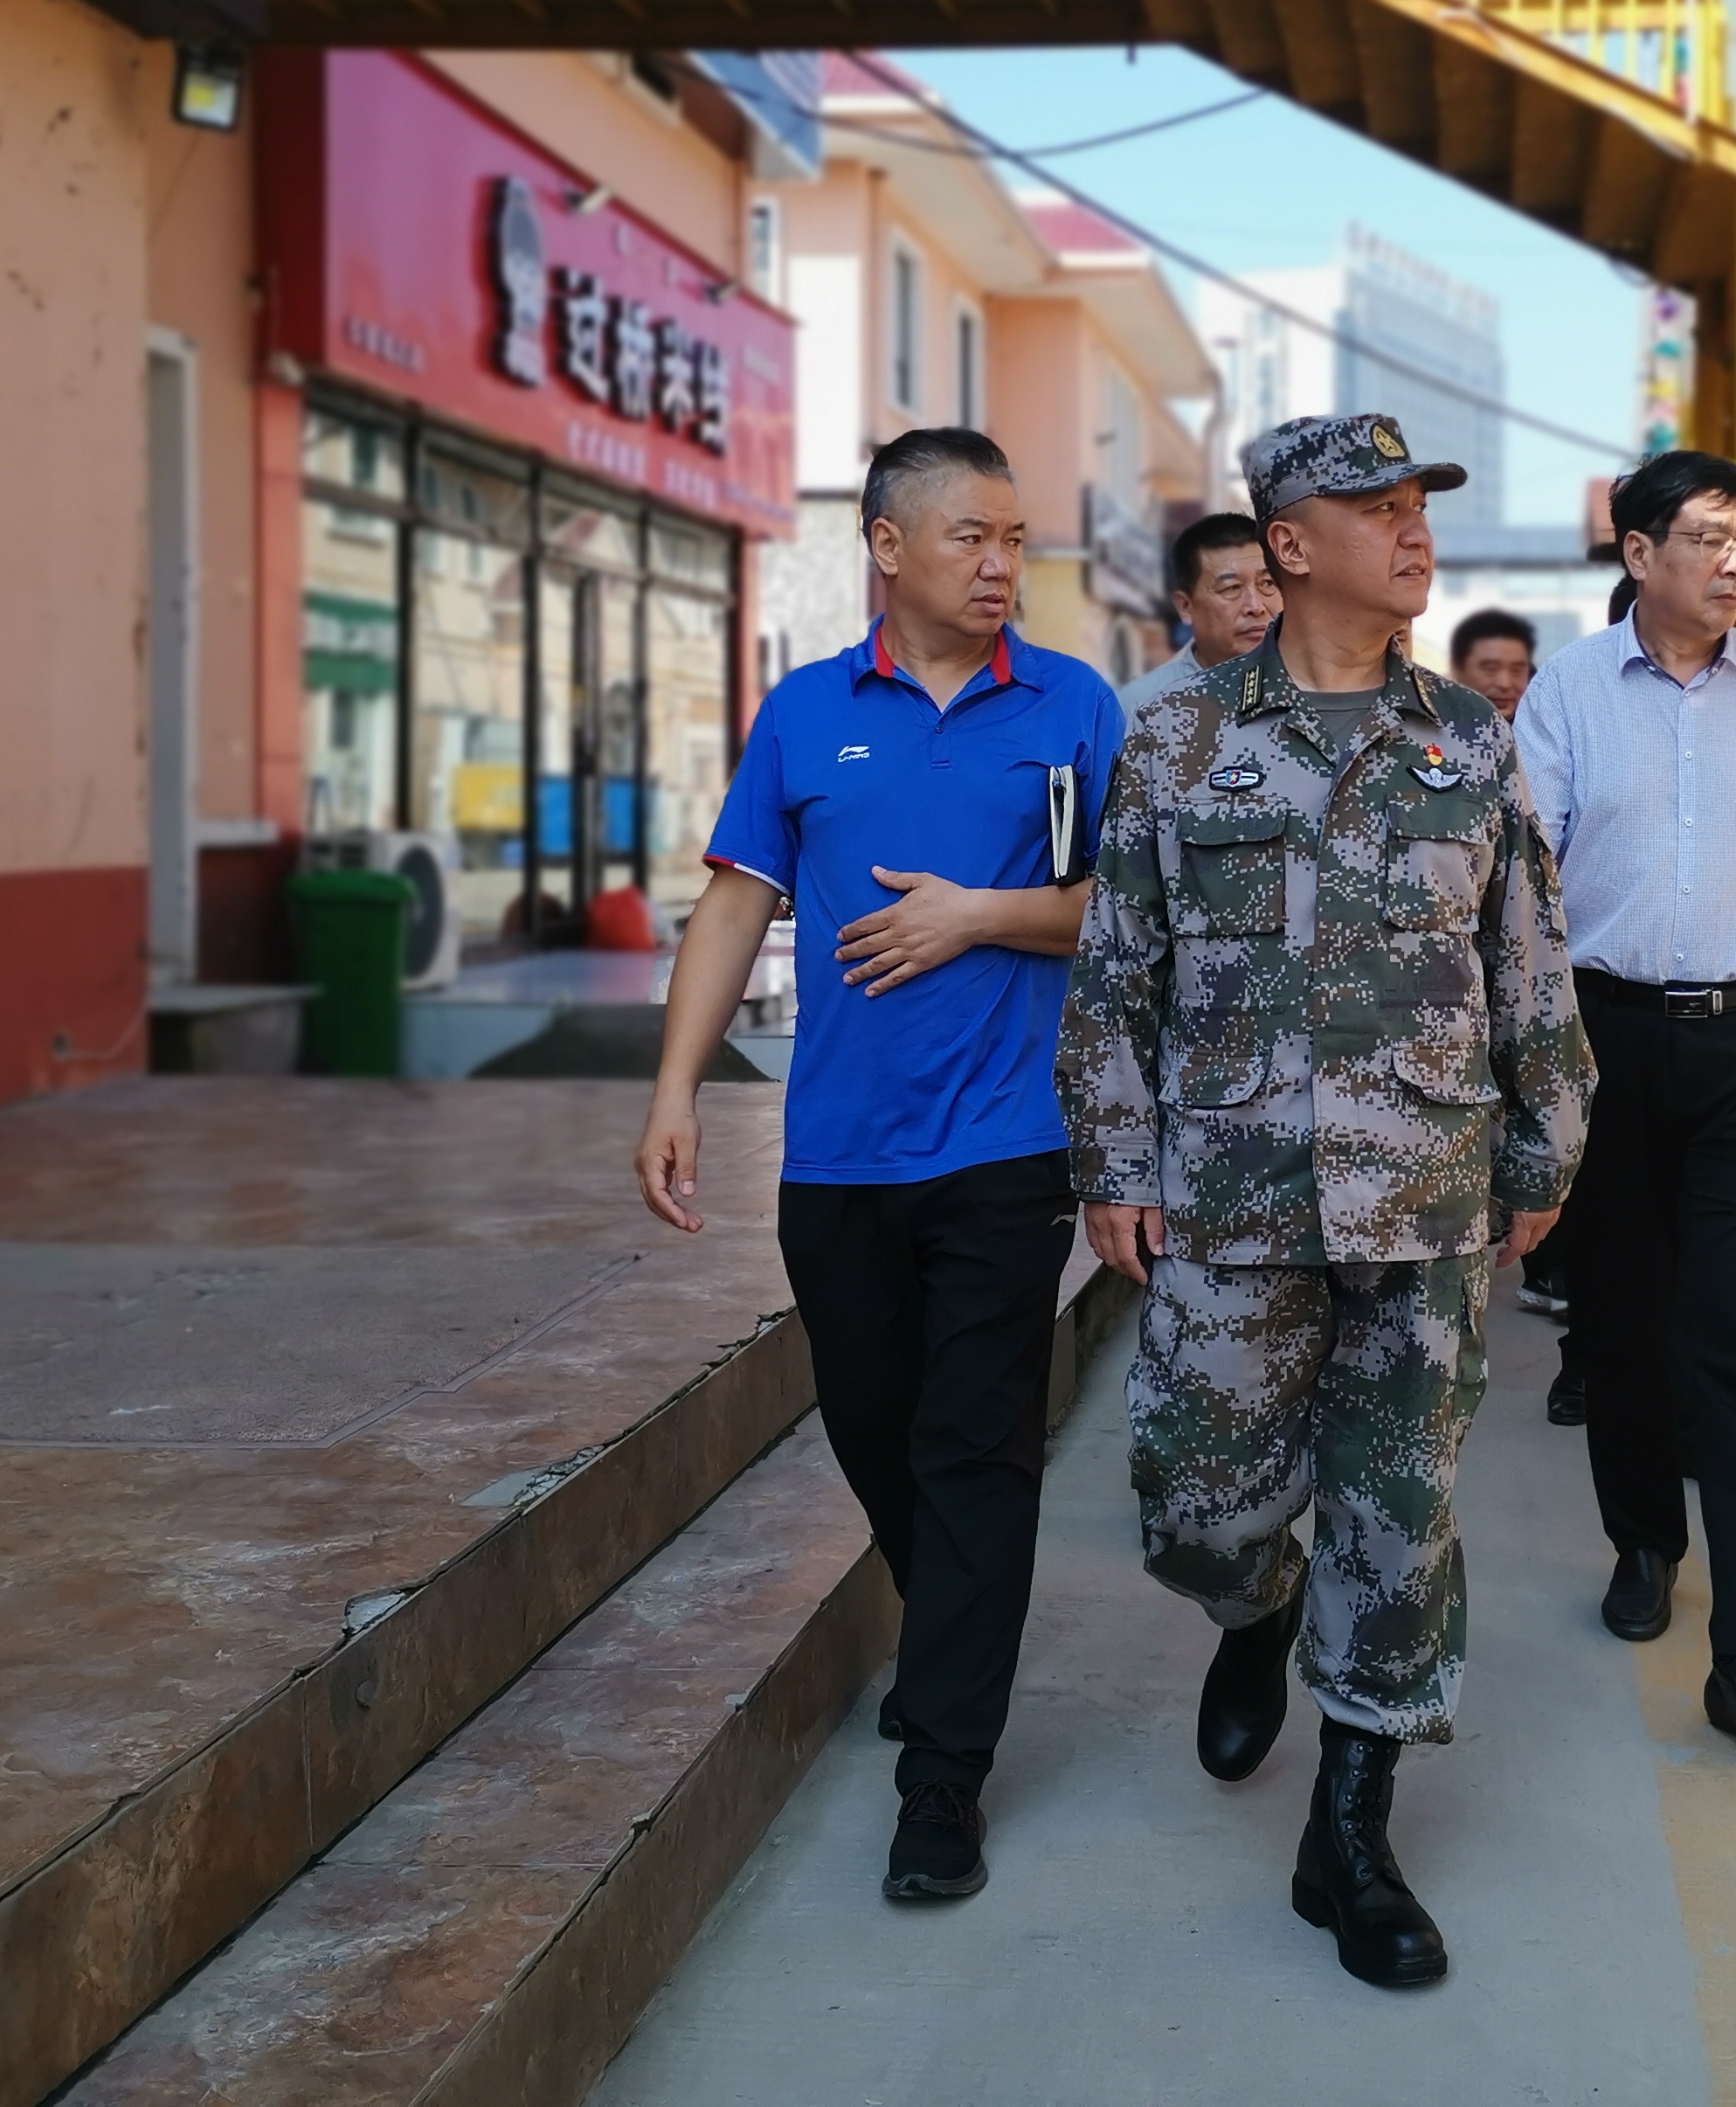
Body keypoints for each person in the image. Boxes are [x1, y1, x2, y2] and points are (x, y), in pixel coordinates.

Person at [1062, 414, 1592, 1990]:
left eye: (1421, 505)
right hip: (1232, 1195)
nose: (1414, 532)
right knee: (1198, 1502)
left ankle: (1349, 1839)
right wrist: (1113, 1163)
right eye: (1377, 510)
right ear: (1288, 545)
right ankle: (1253, 1606)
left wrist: (1544, 1153)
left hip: (1424, 1196)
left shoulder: (1469, 738)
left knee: (1398, 1515)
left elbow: (1527, 961)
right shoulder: (1179, 740)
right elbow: (1117, 970)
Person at [633, 427, 1127, 1906]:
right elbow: (734, 906)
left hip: (1007, 1143)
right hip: (840, 1151)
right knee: (873, 1427)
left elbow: (1129, 906)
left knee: (975, 1447)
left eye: (1014, 539)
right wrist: (674, 1088)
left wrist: (979, 914)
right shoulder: (804, 712)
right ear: (888, 546)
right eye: (973, 536)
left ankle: (944, 1778)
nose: (1001, 565)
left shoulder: (1071, 705)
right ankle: (951, 1626)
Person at [1513, 450, 1736, 1744]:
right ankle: (1643, 1539)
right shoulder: (1566, 690)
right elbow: (1524, 880)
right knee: (1622, 1322)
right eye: (1709, 538)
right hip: (1603, 1041)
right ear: (1638, 552)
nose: (1734, 564)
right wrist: (1526, 1055)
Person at [1449, 606, 1583, 1417]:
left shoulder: (1506, 749)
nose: (1505, 683)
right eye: (1488, 668)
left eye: (1516, 669)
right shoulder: (1447, 742)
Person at [1120, 510, 1282, 720]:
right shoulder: (1139, 708)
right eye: (1231, 588)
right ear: (1186, 607)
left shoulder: (1313, 689)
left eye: (1267, 583)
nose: (1255, 606)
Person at [1446, 606, 1536, 721]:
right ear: (1457, 670)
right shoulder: (1430, 725)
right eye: (1491, 669)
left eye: (1516, 670)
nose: (1505, 684)